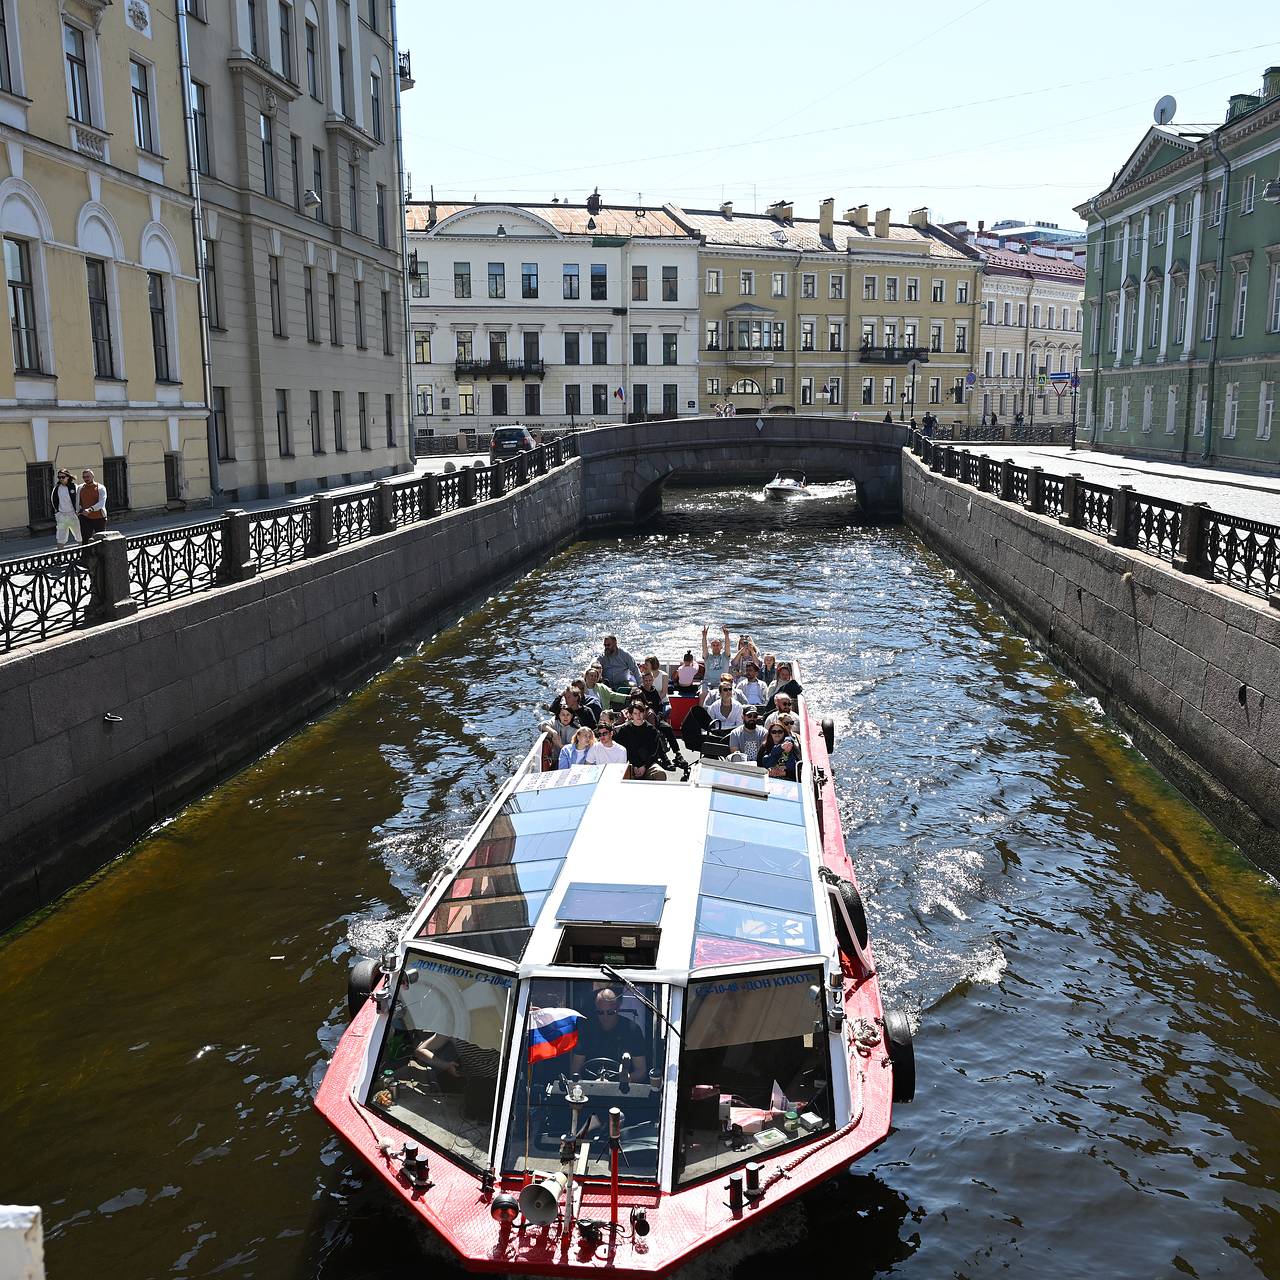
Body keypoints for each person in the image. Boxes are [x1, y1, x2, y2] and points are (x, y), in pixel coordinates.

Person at [571, 989, 647, 1079]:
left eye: (610, 1012)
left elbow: (641, 1071)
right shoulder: (586, 1029)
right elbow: (575, 1071)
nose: (605, 1017)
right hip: (589, 1087)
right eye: (600, 1012)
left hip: (621, 1088)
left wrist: (625, 1079)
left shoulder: (632, 1030)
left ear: (618, 1009)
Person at [612, 701, 670, 780]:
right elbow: (621, 750)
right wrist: (636, 765)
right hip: (630, 764)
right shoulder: (625, 729)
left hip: (648, 764)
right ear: (631, 715)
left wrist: (643, 766)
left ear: (644, 713)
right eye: (635, 713)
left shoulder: (651, 730)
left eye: (640, 713)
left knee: (660, 774)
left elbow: (654, 752)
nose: (638, 716)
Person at [51, 469, 80, 547]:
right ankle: (60, 555)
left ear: (68, 477)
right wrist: (58, 512)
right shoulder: (57, 488)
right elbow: (53, 500)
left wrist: (78, 511)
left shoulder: (74, 487)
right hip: (62, 516)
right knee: (61, 537)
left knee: (79, 535)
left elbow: (79, 500)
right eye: (59, 477)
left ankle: (84, 554)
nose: (61, 479)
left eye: (63, 477)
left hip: (73, 515)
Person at [77, 468, 108, 542]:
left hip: (99, 517)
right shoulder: (80, 488)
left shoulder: (100, 488)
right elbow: (77, 502)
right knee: (85, 539)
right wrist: (79, 511)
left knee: (100, 539)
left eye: (88, 476)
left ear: (93, 476)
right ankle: (86, 554)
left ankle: (101, 553)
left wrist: (90, 509)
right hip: (85, 517)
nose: (86, 479)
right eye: (84, 477)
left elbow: (102, 503)